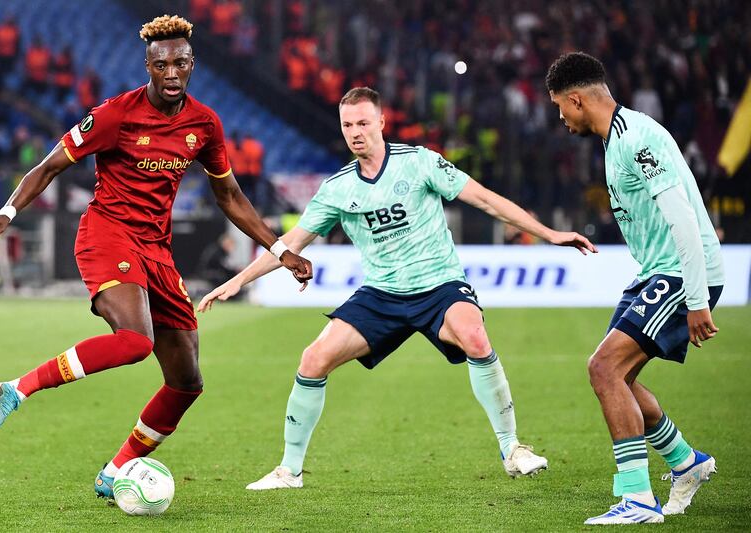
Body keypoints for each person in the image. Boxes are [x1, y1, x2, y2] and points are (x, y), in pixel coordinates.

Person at [0, 15, 312, 501]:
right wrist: (8, 212)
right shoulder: (114, 115)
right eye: (162, 64)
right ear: (148, 67)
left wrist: (280, 248)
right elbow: (49, 165)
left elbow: (231, 196)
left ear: (192, 65)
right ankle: (16, 388)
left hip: (156, 250)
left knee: (186, 382)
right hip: (107, 235)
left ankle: (115, 470)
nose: (172, 72)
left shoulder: (204, 124)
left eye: (180, 63)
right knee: (135, 341)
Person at [198, 87, 596, 490]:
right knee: (313, 359)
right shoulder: (338, 188)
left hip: (439, 285)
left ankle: (512, 449)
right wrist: (237, 281)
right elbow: (290, 243)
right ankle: (290, 470)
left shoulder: (419, 163)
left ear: (381, 123)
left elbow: (485, 199)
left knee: (475, 336)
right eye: (348, 125)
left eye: (363, 123)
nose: (356, 132)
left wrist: (549, 233)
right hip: (382, 295)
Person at [546, 52, 724, 525]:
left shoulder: (636, 137)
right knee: (615, 377)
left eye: (560, 107)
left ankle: (638, 499)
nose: (560, 118)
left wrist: (697, 297)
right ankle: (686, 462)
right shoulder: (615, 141)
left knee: (604, 369)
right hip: (654, 273)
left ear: (577, 100)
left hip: (680, 274)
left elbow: (683, 216)